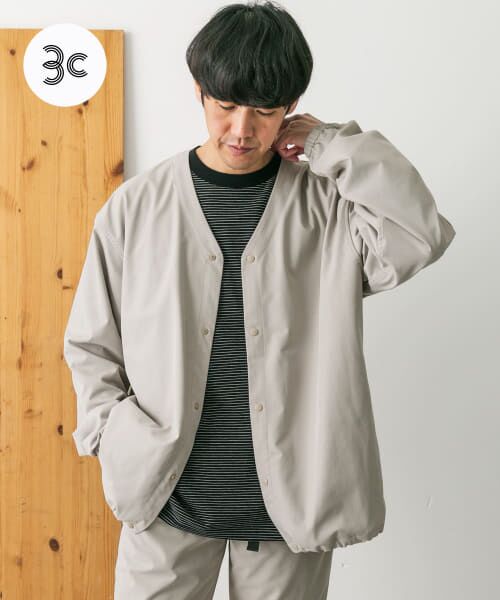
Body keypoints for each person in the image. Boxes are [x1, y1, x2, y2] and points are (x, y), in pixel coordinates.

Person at [63, 2, 456, 599]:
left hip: (290, 510)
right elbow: (92, 342)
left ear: (291, 106)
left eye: (265, 111)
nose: (242, 129)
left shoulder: (330, 209)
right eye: (225, 105)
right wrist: (112, 434)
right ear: (199, 91)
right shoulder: (137, 208)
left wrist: (329, 143)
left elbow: (418, 235)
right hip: (164, 498)